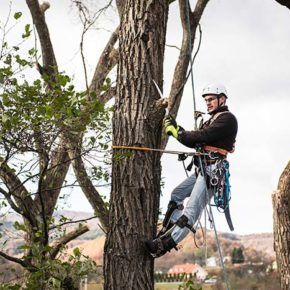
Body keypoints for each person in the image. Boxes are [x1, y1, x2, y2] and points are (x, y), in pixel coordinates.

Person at [145, 83, 238, 258]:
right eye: (206, 100)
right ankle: (167, 230)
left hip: (212, 172)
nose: (208, 103)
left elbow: (202, 137)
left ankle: (162, 246)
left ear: (222, 99)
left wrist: (177, 132)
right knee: (177, 195)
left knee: (191, 211)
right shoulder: (211, 120)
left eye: (211, 99)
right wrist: (179, 131)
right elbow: (196, 140)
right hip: (202, 169)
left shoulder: (227, 119)